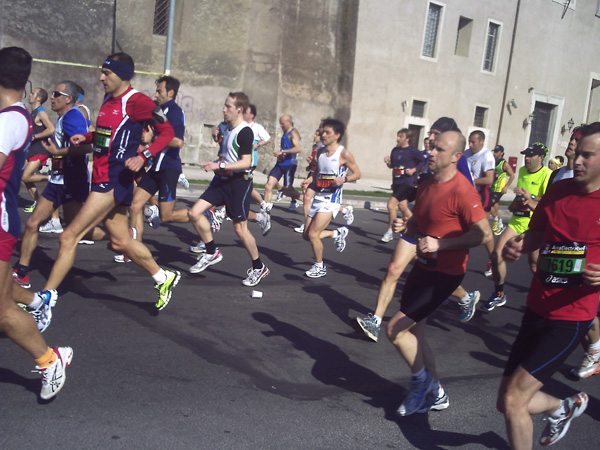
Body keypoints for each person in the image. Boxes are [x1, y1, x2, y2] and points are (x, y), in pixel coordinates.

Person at [29, 53, 181, 311]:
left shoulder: (138, 102)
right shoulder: (110, 99)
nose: (101, 78)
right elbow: (108, 132)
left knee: (68, 236)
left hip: (113, 179)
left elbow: (168, 133)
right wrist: (86, 137)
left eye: (106, 73)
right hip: (102, 175)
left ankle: (45, 299)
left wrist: (144, 155)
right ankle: (163, 276)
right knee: (120, 241)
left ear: (122, 75)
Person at [497, 121, 600, 448]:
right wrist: (521, 246)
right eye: (577, 153)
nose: (577, 161)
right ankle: (564, 406)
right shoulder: (558, 190)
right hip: (537, 305)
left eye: (587, 155)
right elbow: (539, 235)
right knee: (505, 402)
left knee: (515, 401)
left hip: (571, 316)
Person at [386, 130, 491, 416]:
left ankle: (422, 385)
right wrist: (403, 228)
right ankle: (437, 392)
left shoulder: (462, 190)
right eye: (431, 148)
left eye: (439, 150)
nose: (431, 153)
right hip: (423, 268)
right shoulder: (426, 185)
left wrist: (442, 243)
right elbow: (419, 223)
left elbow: (483, 234)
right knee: (415, 333)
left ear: (457, 156)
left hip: (446, 274)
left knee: (395, 329)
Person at [356, 117, 475, 342]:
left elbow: (468, 202)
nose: (430, 138)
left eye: (435, 134)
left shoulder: (456, 162)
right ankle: (375, 322)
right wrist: (406, 213)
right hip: (418, 225)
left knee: (437, 279)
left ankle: (465, 297)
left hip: (440, 233)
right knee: (393, 268)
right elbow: (418, 187)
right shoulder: (426, 156)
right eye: (430, 133)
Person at [0, 46, 72, 400]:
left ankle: (49, 359)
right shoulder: (11, 116)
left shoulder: (10, 120)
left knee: (1, 311)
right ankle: (37, 304)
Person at [12, 81, 107, 288]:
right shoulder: (64, 117)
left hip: (72, 181)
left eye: (56, 94)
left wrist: (57, 153)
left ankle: (118, 236)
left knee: (78, 230)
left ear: (68, 99)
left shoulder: (73, 117)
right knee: (32, 223)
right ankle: (22, 272)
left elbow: (87, 147)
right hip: (57, 180)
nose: (52, 97)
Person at [187, 92, 270, 287]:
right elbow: (226, 146)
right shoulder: (225, 126)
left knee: (240, 229)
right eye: (224, 106)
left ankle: (259, 267)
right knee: (194, 213)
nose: (224, 109)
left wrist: (219, 166)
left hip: (238, 183)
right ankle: (211, 252)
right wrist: (217, 138)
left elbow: (246, 162)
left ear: (239, 109)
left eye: (228, 107)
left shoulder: (245, 132)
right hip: (221, 180)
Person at [118, 75, 189, 261]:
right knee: (135, 206)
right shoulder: (157, 110)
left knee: (166, 216)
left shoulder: (174, 111)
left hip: (169, 168)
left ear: (170, 93)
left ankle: (203, 213)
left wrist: (152, 140)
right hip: (155, 168)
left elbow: (178, 142)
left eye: (159, 91)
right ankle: (135, 249)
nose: (155, 94)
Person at [482, 143, 553, 313]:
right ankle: (499, 293)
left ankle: (544, 299)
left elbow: (547, 203)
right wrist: (517, 203)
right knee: (496, 253)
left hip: (534, 225)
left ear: (541, 158)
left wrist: (531, 198)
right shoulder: (521, 171)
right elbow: (521, 197)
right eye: (525, 155)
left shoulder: (548, 175)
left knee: (535, 266)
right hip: (516, 221)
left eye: (531, 156)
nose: (527, 159)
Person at [301, 118, 361, 278]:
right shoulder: (320, 152)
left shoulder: (344, 154)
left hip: (331, 201)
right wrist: (310, 180)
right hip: (318, 197)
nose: (323, 134)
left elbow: (358, 174)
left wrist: (344, 179)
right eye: (323, 131)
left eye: (328, 132)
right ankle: (337, 234)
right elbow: (317, 173)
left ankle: (319, 266)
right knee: (306, 236)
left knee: (313, 235)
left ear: (337, 135)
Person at [381, 128, 425, 243]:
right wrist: (388, 163)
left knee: (391, 205)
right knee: (403, 207)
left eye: (400, 136)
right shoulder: (395, 150)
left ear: (407, 139)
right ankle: (416, 228)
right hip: (396, 182)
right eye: (398, 136)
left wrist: (414, 170)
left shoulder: (413, 151)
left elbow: (423, 161)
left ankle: (390, 231)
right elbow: (393, 166)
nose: (398, 138)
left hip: (407, 182)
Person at [22, 87, 54, 212]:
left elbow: (51, 129)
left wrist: (35, 136)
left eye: (32, 94)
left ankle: (50, 178)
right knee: (25, 178)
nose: (29, 95)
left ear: (39, 98)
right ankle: (37, 202)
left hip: (40, 150)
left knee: (25, 177)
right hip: (31, 150)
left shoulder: (41, 112)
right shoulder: (33, 112)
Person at [263, 114, 302, 211]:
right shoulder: (285, 131)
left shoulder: (293, 133)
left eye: (282, 124)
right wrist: (280, 154)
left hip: (290, 164)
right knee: (269, 184)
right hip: (280, 163)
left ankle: (306, 199)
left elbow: (298, 148)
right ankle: (265, 210)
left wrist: (283, 152)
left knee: (288, 190)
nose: (280, 126)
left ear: (289, 122)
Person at [489, 145, 515, 236]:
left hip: (499, 189)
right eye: (494, 151)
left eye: (496, 152)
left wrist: (506, 187)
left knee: (490, 204)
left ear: (501, 153)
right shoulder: (493, 162)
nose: (494, 153)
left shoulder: (504, 164)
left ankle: (496, 222)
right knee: (495, 208)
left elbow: (512, 175)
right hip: (492, 188)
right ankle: (500, 225)